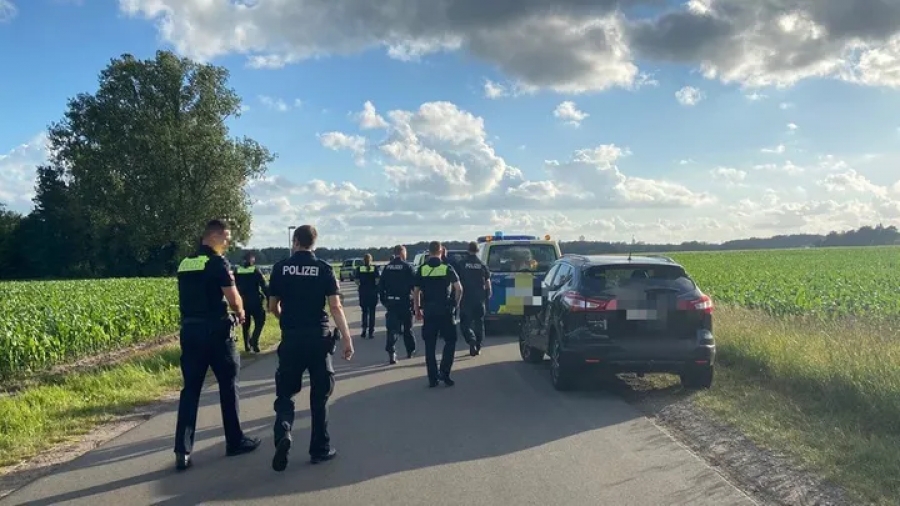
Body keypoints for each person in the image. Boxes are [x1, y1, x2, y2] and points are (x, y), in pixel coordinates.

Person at [173, 219, 260, 471]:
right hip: (217, 332)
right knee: (228, 385)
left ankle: (183, 450)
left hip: (190, 331)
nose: (228, 242)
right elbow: (233, 298)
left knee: (190, 390)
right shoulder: (218, 262)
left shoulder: (185, 263)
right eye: (226, 238)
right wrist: (240, 313)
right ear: (215, 236)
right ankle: (235, 441)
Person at [267, 225, 354, 472]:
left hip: (292, 338)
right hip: (318, 338)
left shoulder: (280, 268)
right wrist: (347, 338)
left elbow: (272, 306)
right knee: (320, 395)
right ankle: (319, 449)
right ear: (314, 242)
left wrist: (285, 319)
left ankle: (284, 431)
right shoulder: (324, 269)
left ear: (295, 241)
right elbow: (335, 306)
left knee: (285, 393)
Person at [413, 241, 463, 387]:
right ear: (441, 252)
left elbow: (416, 291)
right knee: (450, 341)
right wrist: (455, 305)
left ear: (429, 252)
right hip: (445, 311)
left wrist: (417, 309)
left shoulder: (422, 269)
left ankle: (432, 378)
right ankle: (445, 373)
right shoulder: (447, 268)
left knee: (430, 345)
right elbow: (459, 289)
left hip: (429, 311)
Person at [378, 245, 417, 363]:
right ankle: (410, 351)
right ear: (402, 253)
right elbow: (415, 287)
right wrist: (416, 304)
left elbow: (381, 287)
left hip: (391, 303)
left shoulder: (387, 267)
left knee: (392, 329)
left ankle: (392, 352)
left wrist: (385, 301)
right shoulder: (407, 267)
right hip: (405, 302)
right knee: (407, 329)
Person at [457, 241, 492, 357]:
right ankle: (478, 345)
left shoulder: (461, 264)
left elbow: (456, 282)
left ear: (468, 250)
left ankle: (471, 340)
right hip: (479, 299)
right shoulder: (482, 265)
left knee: (465, 324)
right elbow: (488, 283)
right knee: (479, 323)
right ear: (477, 250)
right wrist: (487, 296)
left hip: (466, 299)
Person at [233, 252, 270, 353]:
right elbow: (264, 286)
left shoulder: (237, 270)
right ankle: (254, 340)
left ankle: (247, 346)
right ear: (251, 259)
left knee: (245, 324)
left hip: (242, 301)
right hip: (255, 301)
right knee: (260, 321)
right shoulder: (255, 270)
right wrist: (268, 298)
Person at [356, 254, 379, 339]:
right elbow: (377, 280)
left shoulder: (359, 269)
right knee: (372, 312)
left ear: (363, 260)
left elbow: (356, 281)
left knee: (364, 312)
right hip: (372, 293)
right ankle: (371, 332)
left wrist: (362, 285)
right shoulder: (374, 268)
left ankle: (364, 330)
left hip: (363, 293)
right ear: (371, 260)